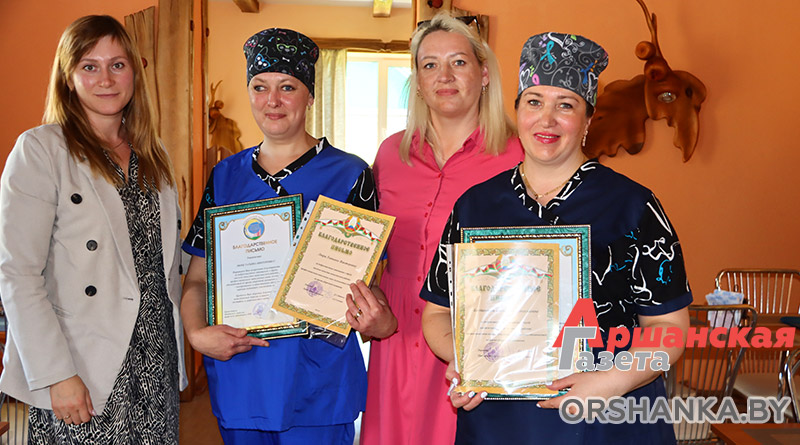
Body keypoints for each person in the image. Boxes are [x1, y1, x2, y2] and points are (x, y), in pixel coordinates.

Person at [421, 32, 692, 444]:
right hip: (498, 421)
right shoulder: (475, 207)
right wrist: (466, 358)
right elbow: (437, 313)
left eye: (565, 105)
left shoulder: (633, 206)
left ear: (588, 120)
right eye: (534, 102)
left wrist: (611, 381)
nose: (546, 120)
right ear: (517, 111)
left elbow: (669, 326)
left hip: (606, 421)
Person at [180, 28, 377, 444]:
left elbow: (368, 283)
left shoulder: (350, 175)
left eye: (287, 87)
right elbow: (197, 279)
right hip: (242, 373)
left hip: (318, 381)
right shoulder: (225, 176)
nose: (272, 100)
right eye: (260, 87)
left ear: (310, 96)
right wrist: (196, 334)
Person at [0, 15, 186, 443]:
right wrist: (56, 374)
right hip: (83, 366)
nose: (106, 79)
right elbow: (18, 274)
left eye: (117, 65)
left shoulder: (154, 156)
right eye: (90, 66)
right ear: (68, 78)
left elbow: (166, 265)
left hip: (155, 360)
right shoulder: (41, 150)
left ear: (134, 73)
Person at [355, 13, 524, 445]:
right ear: (417, 80)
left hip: (476, 338)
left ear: (484, 74)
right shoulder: (390, 153)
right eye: (429, 64)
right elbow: (370, 250)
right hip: (396, 337)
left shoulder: (518, 155)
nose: (443, 76)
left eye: (458, 62)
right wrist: (367, 304)